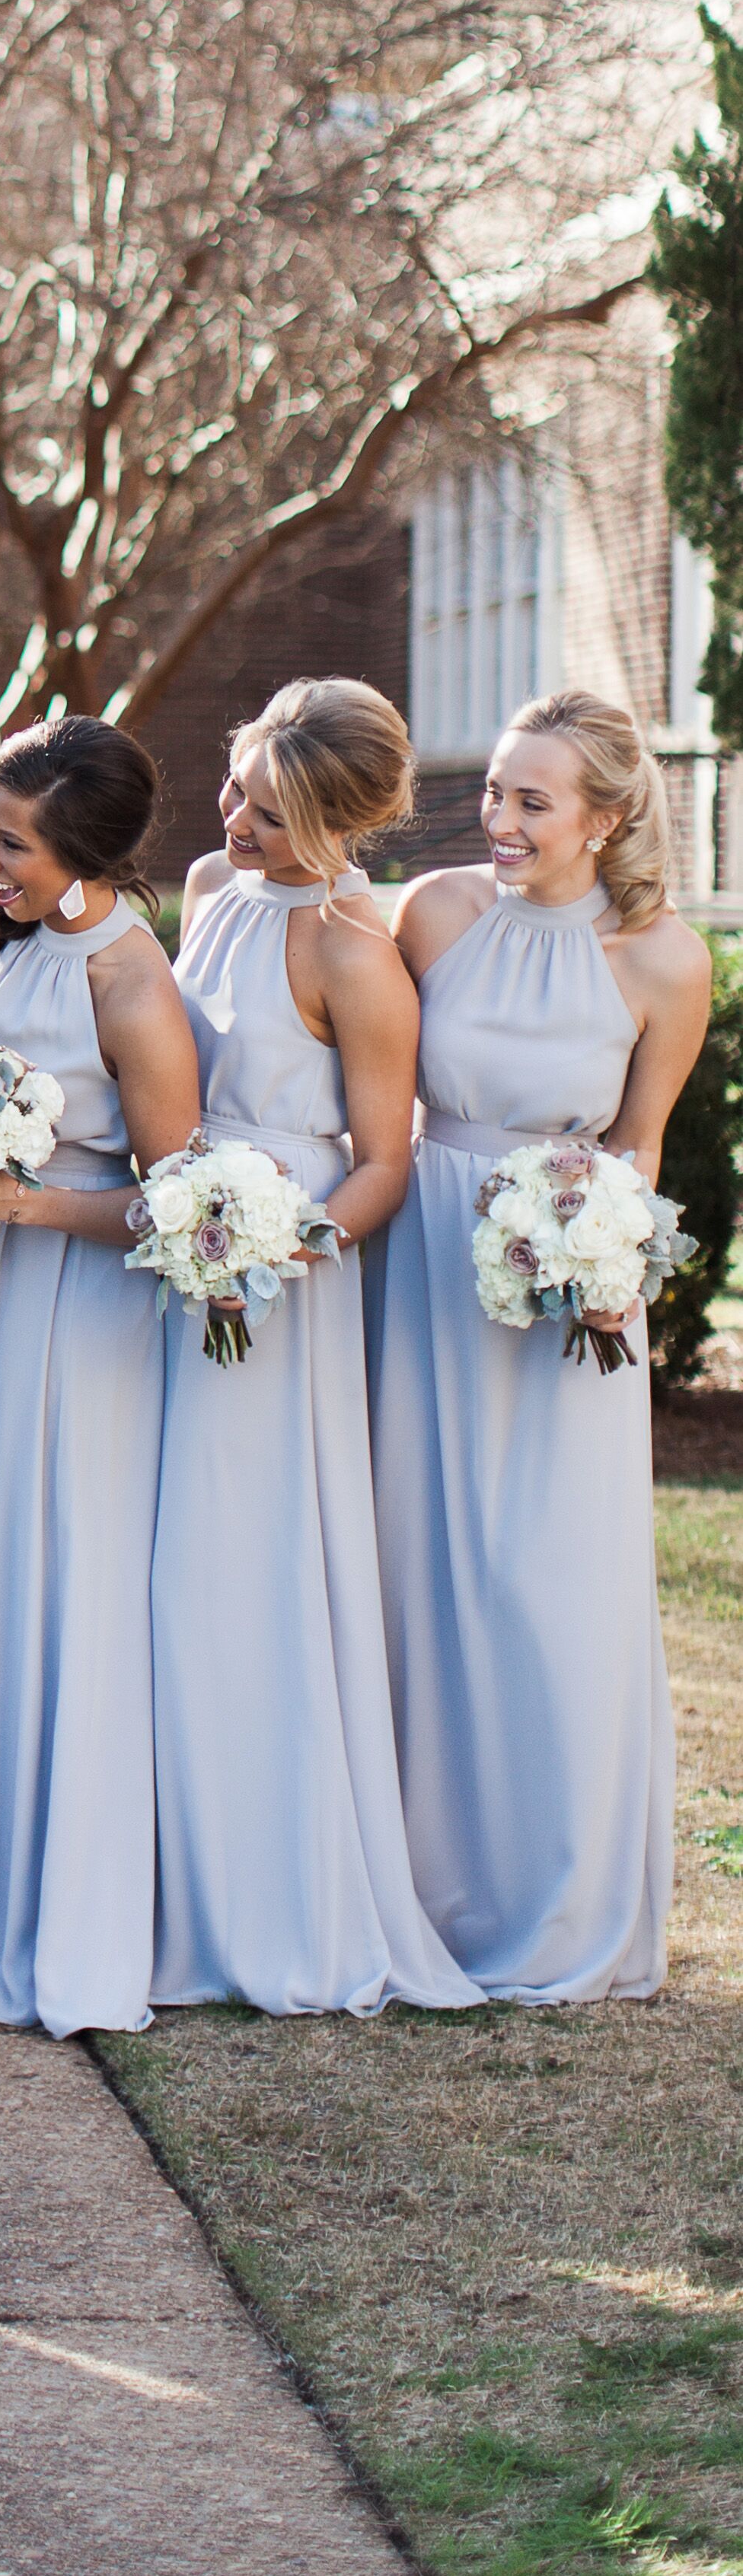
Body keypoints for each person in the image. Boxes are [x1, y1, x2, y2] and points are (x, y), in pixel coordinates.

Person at [372, 689, 710, 2001]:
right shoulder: (435, 915)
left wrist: (606, 1267)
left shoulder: (662, 961)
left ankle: (558, 1902)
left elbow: (640, 1146)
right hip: (421, 1269)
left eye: (532, 800)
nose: (497, 820)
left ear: (604, 817)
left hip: (562, 1283)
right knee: (415, 1562)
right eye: (495, 792)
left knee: (546, 1589)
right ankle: (414, 1892)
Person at [0, 715, 200, 2036]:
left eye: (11, 841)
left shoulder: (133, 987)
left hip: (79, 1310)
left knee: (59, 1590)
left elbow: (178, 1206)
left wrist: (23, 1206)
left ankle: (61, 1921)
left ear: (86, 851)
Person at [150, 680, 473, 2017]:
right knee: (166, 1561)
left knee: (256, 1563)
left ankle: (277, 1885)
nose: (236, 822)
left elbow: (384, 1163)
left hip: (281, 1278)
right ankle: (170, 1869)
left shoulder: (354, 952)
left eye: (272, 814)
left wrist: (284, 1249)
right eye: (233, 790)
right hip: (170, 1245)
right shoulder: (207, 888)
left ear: (345, 820)